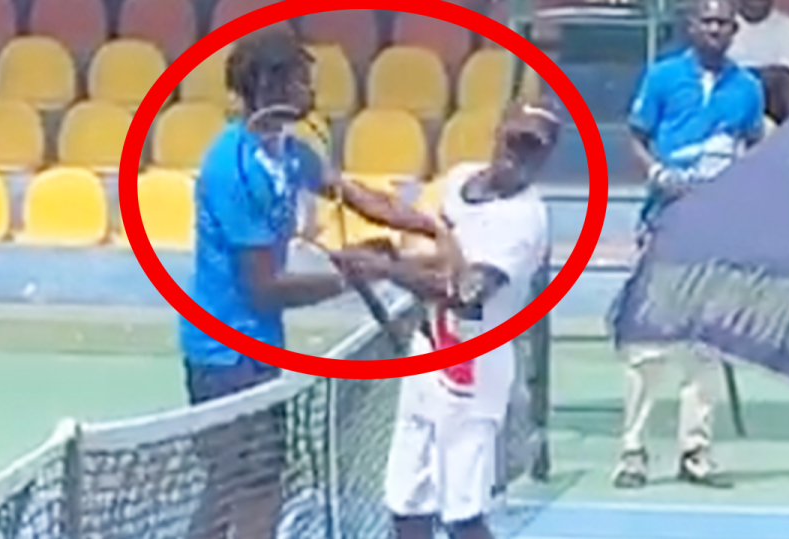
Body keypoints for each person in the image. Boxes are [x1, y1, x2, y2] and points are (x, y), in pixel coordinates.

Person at [180, 30, 444, 539]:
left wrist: (429, 228)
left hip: (261, 348)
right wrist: (358, 272)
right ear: (267, 84)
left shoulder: (288, 152)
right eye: (300, 80)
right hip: (224, 354)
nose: (310, 90)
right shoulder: (233, 168)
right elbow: (266, 287)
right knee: (254, 486)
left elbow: (357, 195)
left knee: (236, 482)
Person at [367, 101, 557, 539]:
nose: (518, 154)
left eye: (533, 148)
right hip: (426, 350)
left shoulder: (524, 220)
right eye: (515, 140)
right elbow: (441, 252)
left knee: (462, 516)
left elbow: (465, 294)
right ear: (498, 133)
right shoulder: (458, 180)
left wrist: (383, 270)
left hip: (473, 365)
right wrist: (395, 258)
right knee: (407, 501)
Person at [613, 0, 765, 490]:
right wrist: (657, 173)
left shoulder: (749, 89)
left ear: (734, 30)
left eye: (724, 23)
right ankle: (633, 453)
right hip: (664, 223)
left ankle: (695, 453)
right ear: (691, 26)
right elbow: (635, 136)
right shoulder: (661, 77)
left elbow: (753, 146)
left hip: (718, 230)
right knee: (648, 347)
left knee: (706, 349)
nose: (716, 30)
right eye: (708, 22)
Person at [729, 0, 789, 123]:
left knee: (787, 82)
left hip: (772, 94)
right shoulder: (725, 24)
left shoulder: (785, 25)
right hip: (732, 89)